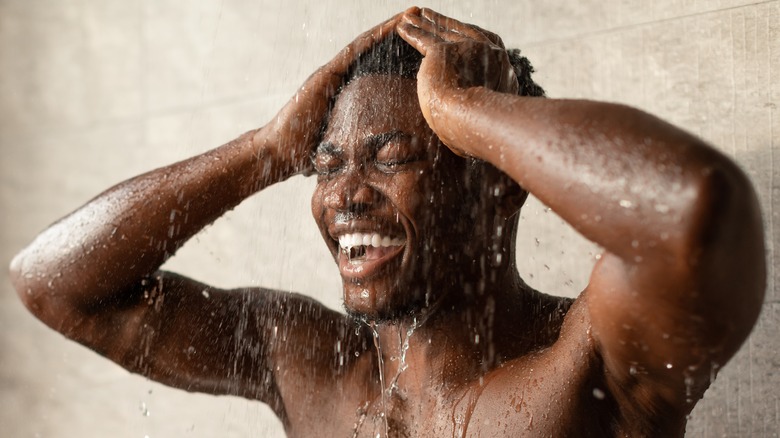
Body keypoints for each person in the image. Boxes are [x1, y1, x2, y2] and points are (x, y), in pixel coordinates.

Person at [9, 7, 765, 437]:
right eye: (327, 164)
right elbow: (53, 284)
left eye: (390, 155)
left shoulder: (587, 369)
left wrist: (466, 111)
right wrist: (268, 150)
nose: (346, 194)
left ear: (498, 186)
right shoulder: (309, 367)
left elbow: (693, 208)